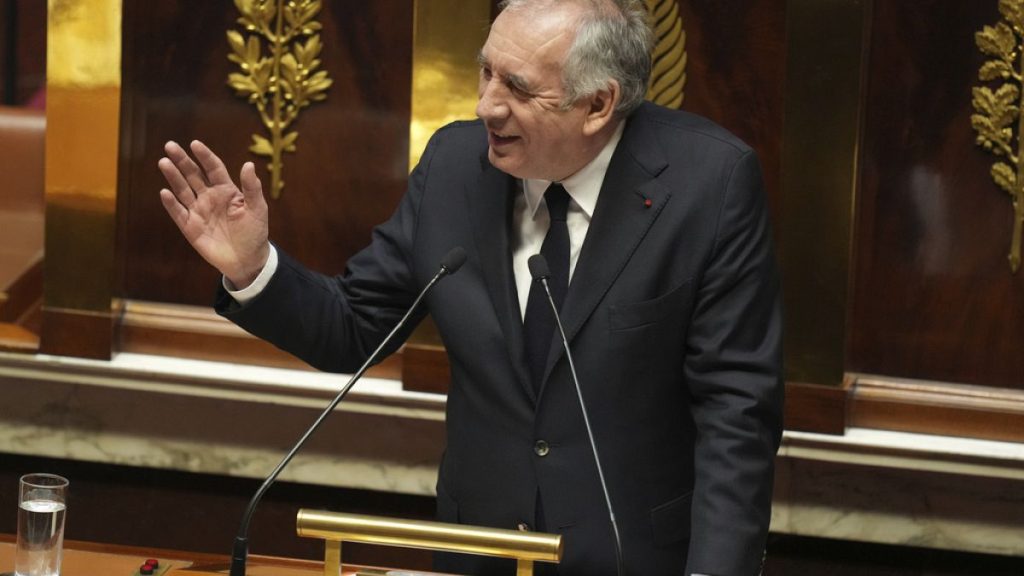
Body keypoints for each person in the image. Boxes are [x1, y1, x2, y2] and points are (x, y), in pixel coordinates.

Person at [157, 0, 783, 574]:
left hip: (632, 556)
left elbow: (738, 412)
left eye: (517, 87)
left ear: (597, 105)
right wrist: (251, 268)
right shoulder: (454, 167)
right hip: (476, 552)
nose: (486, 105)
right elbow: (354, 330)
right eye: (486, 72)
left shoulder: (709, 184)